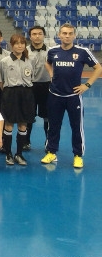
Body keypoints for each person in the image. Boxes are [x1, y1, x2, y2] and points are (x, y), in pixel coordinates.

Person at [42, 23, 102, 169]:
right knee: (53, 126)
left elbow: (98, 67)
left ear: (74, 35)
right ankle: (51, 152)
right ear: (59, 35)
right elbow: (47, 63)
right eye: (64, 33)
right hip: (55, 94)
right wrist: (51, 74)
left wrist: (86, 85)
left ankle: (78, 155)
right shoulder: (52, 51)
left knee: (76, 127)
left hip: (73, 96)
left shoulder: (82, 51)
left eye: (70, 33)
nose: (67, 36)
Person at [0, 34, 34, 166]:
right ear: (11, 45)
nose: (20, 46)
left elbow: (32, 78)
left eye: (22, 43)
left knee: (23, 124)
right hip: (10, 93)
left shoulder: (30, 61)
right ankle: (8, 154)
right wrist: (9, 92)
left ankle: (19, 154)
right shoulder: (4, 61)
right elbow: (1, 81)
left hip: (26, 93)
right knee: (9, 124)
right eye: (16, 43)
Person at [26, 25, 51, 149]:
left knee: (47, 116)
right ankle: (26, 142)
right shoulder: (25, 51)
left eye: (40, 33)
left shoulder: (51, 51)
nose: (37, 36)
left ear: (44, 35)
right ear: (30, 36)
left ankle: (48, 141)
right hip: (30, 87)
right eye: (34, 34)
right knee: (28, 115)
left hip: (47, 86)